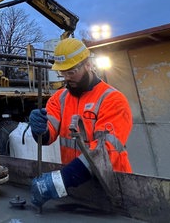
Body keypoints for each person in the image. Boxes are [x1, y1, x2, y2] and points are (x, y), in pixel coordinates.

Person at [28, 37, 133, 207]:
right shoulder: (59, 99)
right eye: (63, 73)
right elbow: (48, 136)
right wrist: (38, 128)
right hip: (75, 188)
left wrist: (59, 181)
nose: (67, 78)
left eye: (72, 71)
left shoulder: (112, 100)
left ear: (88, 65)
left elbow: (105, 152)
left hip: (113, 187)